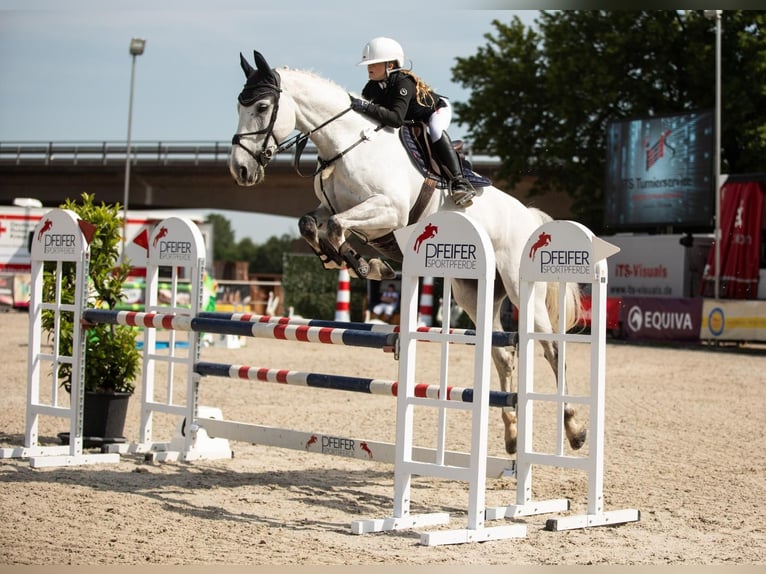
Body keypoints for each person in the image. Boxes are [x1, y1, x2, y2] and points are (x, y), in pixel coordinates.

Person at [350, 36, 476, 207]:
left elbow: (395, 119)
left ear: (391, 65)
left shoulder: (403, 82)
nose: (369, 68)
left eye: (374, 64)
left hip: (435, 111)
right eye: (368, 64)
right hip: (411, 121)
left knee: (435, 131)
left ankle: (459, 181)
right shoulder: (371, 87)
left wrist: (365, 107)